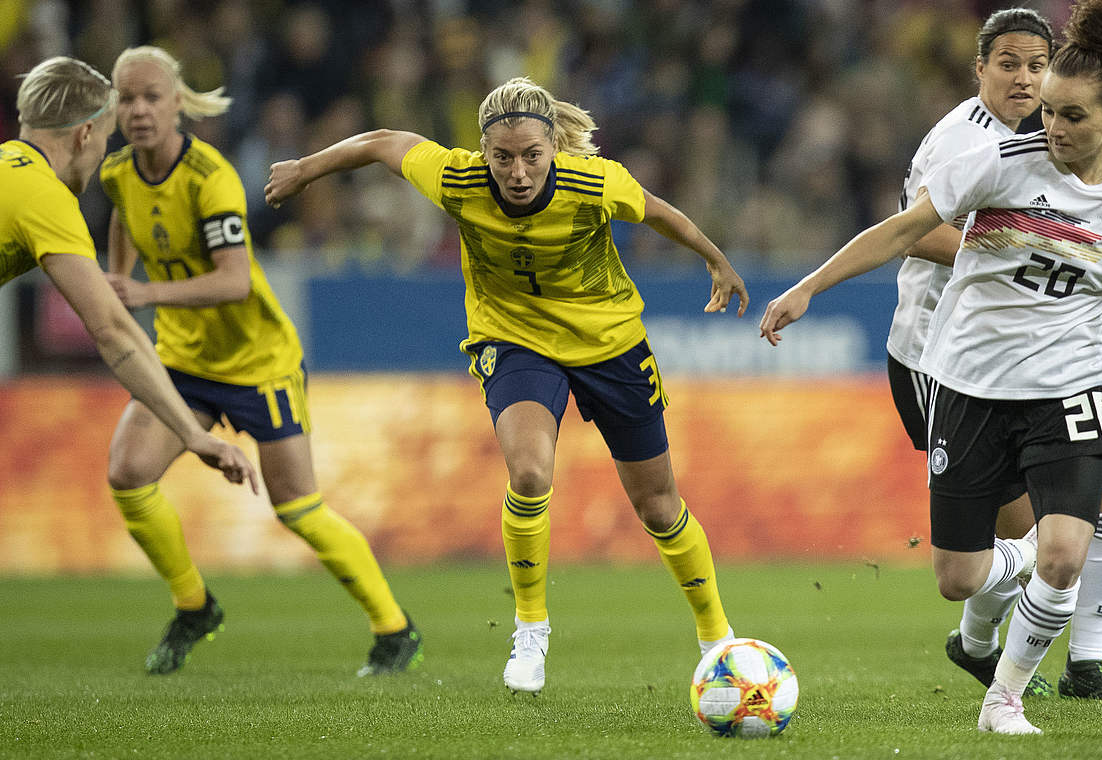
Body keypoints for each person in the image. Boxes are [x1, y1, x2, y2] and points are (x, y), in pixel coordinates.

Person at [759, 0, 1102, 734]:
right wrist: (808, 286)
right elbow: (904, 229)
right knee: (958, 577)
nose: (1052, 128)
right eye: (1051, 112)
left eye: (1071, 116)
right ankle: (997, 609)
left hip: (1068, 390)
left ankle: (1005, 695)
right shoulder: (995, 164)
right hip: (968, 386)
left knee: (1070, 550)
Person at [265, 76, 749, 695]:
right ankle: (530, 629)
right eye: (502, 157)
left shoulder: (595, 183)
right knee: (528, 474)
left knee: (658, 504)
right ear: (483, 151)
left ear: (554, 149)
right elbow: (383, 141)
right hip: (515, 340)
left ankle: (716, 639)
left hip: (609, 343)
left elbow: (658, 212)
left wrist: (715, 258)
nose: (517, 172)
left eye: (531, 156)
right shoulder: (456, 179)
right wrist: (305, 169)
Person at [100, 46, 421, 677]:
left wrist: (140, 293)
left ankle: (394, 627)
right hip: (185, 360)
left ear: (177, 104)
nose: (138, 110)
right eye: (127, 98)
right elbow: (122, 221)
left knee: (297, 507)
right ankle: (194, 605)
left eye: (151, 97)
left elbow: (235, 281)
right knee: (128, 471)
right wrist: (115, 274)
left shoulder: (209, 178)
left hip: (258, 363)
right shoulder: (118, 173)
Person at [887, 7, 1102, 702]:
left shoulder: (1042, 136)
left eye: (1036, 65)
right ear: (980, 70)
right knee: (1029, 536)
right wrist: (1035, 248)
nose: (1024, 79)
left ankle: (1078, 662)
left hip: (1024, 363)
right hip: (943, 359)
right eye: (1009, 65)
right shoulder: (964, 140)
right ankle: (980, 641)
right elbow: (914, 233)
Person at [1, 57, 258, 493]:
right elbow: (112, 330)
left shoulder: (9, 166)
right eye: (104, 137)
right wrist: (192, 432)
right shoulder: (45, 199)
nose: (103, 152)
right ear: (85, 134)